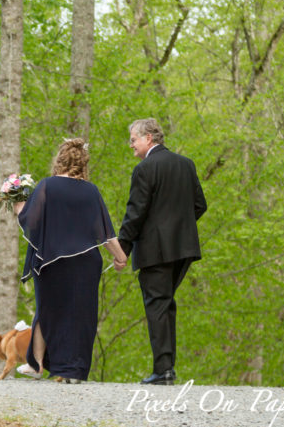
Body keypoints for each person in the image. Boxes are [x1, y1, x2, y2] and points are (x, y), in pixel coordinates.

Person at [12, 138, 125, 383]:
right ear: (83, 163)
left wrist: (17, 202)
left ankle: (39, 364)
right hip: (85, 264)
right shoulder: (91, 191)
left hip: (51, 263)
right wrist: (120, 257)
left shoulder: (46, 187)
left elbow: (29, 221)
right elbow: (105, 233)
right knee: (81, 315)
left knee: (47, 311)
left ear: (60, 160)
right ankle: (75, 369)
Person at [113, 118, 207, 385]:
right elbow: (200, 205)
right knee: (165, 304)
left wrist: (123, 250)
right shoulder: (186, 164)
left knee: (157, 305)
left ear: (148, 139)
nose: (131, 145)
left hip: (155, 251)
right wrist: (180, 230)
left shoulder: (145, 169)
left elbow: (135, 214)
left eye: (133, 139)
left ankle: (163, 370)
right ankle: (166, 368)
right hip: (183, 250)